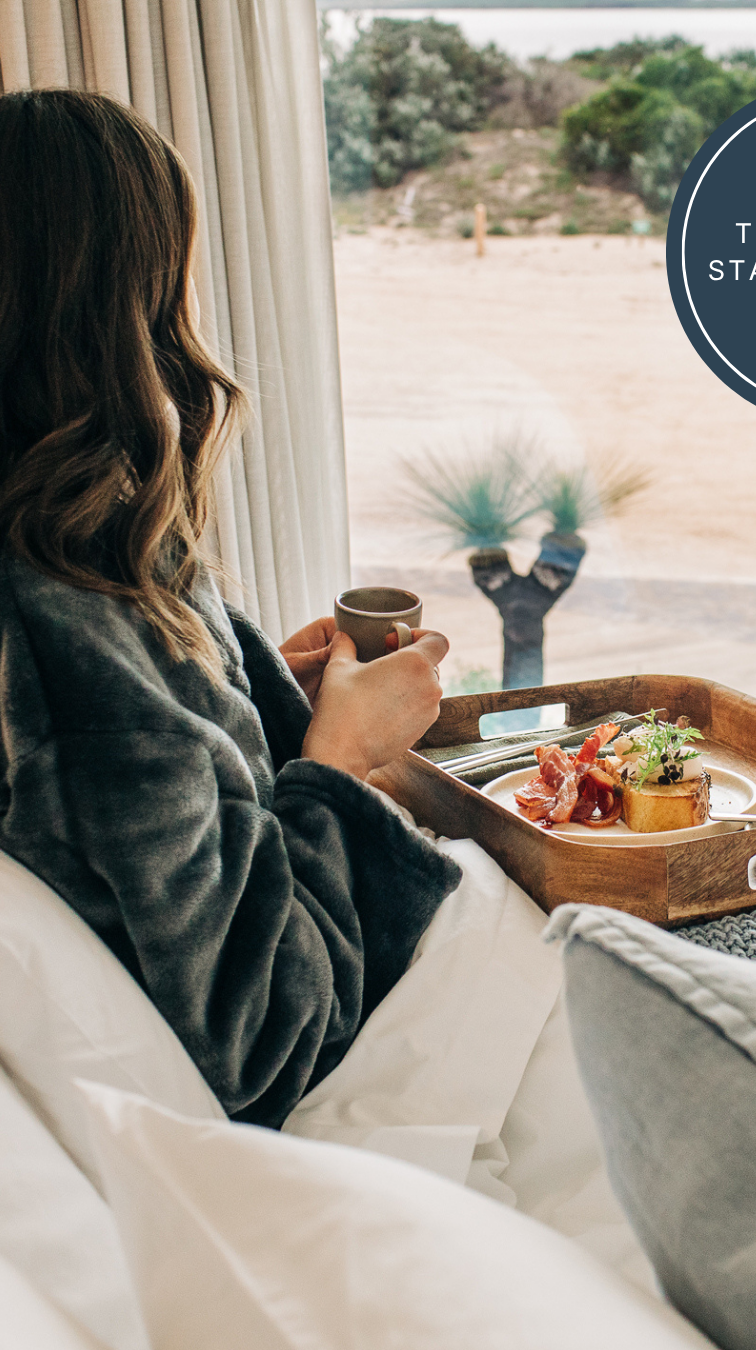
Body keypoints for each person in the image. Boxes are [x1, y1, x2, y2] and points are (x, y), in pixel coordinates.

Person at [0, 88, 462, 1128]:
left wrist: (253, 694)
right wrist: (337, 763)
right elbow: (263, 1037)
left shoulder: (64, 534)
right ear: (125, 292)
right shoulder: (65, 626)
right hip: (364, 1052)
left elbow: (171, 796)